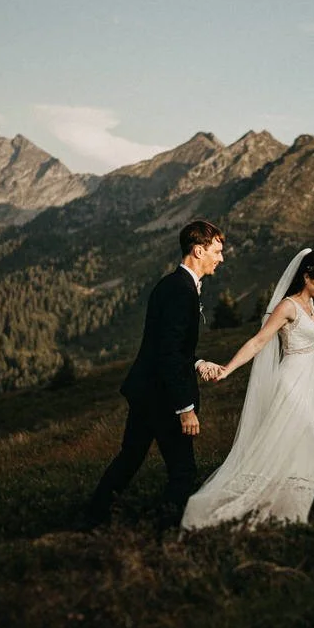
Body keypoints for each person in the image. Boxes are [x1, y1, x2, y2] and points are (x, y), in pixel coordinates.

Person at [180, 248, 314, 531]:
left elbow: (307, 344)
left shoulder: (310, 306)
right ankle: (245, 514)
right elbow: (258, 342)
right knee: (311, 450)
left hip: (308, 382)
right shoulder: (287, 307)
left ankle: (286, 518)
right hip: (292, 384)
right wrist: (227, 369)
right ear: (306, 277)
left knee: (300, 452)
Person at [84, 220, 226, 528]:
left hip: (146, 391)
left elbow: (169, 346)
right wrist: (185, 409)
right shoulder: (182, 291)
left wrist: (198, 363)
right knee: (183, 472)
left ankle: (92, 519)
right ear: (198, 250)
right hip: (164, 398)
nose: (221, 258)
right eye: (217, 251)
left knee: (130, 458)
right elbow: (168, 353)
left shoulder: (172, 284)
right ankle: (164, 533)